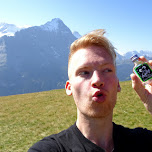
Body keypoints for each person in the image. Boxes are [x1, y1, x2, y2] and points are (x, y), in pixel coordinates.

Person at [28, 29, 152, 152]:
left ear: (118, 84)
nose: (97, 80)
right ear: (69, 87)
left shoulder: (144, 141)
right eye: (84, 72)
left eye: (107, 70)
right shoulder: (48, 149)